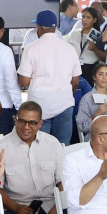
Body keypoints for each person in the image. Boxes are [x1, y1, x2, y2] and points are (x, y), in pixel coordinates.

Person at [0, 102, 64, 214]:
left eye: (32, 123)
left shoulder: (52, 144)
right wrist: (16, 207)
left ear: (40, 123)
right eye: (22, 121)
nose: (26, 127)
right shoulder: (0, 147)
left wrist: (58, 207)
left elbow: (62, 181)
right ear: (16, 119)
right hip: (16, 207)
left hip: (50, 205)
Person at [18, 9, 82, 145]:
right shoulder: (69, 49)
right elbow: (75, 81)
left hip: (39, 106)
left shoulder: (31, 48)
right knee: (62, 148)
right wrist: (67, 94)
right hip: (64, 104)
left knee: (39, 147)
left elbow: (24, 82)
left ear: (39, 27)